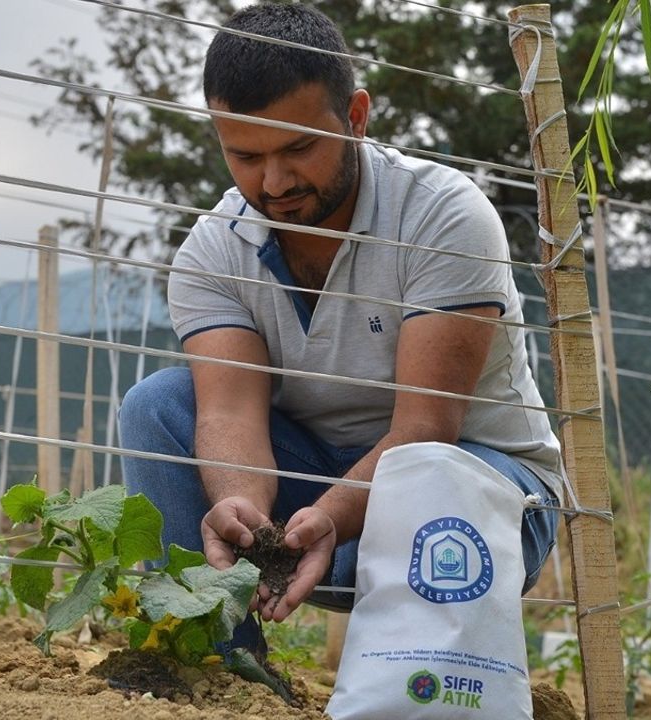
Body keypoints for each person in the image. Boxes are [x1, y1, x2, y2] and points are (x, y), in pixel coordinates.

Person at [118, 2, 563, 649]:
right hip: (317, 495)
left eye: (299, 149)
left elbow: (424, 432)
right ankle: (217, 663)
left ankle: (416, 685)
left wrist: (329, 517)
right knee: (157, 406)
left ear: (356, 117)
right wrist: (243, 505)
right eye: (244, 156)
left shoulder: (441, 214)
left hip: (477, 493)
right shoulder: (213, 251)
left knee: (437, 484)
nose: (273, 181)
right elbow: (230, 414)